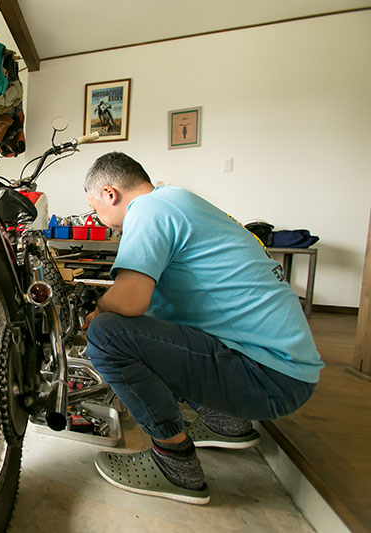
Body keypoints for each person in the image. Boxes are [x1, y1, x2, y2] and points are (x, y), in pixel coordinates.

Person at [82, 152, 322, 505]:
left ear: (109, 194)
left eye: (95, 210)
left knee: (107, 335)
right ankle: (225, 422)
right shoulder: (178, 201)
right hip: (286, 369)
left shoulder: (148, 210)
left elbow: (130, 301)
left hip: (269, 377)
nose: (102, 223)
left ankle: (174, 465)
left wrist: (96, 311)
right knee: (153, 327)